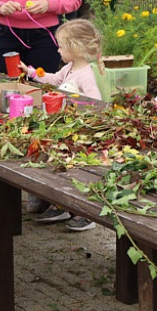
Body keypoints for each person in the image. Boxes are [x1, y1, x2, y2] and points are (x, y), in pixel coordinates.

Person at [25, 19, 106, 232]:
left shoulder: (86, 73)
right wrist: (33, 72)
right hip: (65, 128)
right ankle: (60, 205)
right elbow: (53, 80)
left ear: (75, 48)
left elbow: (95, 102)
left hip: (81, 133)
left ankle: (85, 213)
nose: (58, 49)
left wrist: (77, 106)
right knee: (57, 164)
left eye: (61, 46)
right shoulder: (69, 67)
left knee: (78, 171)